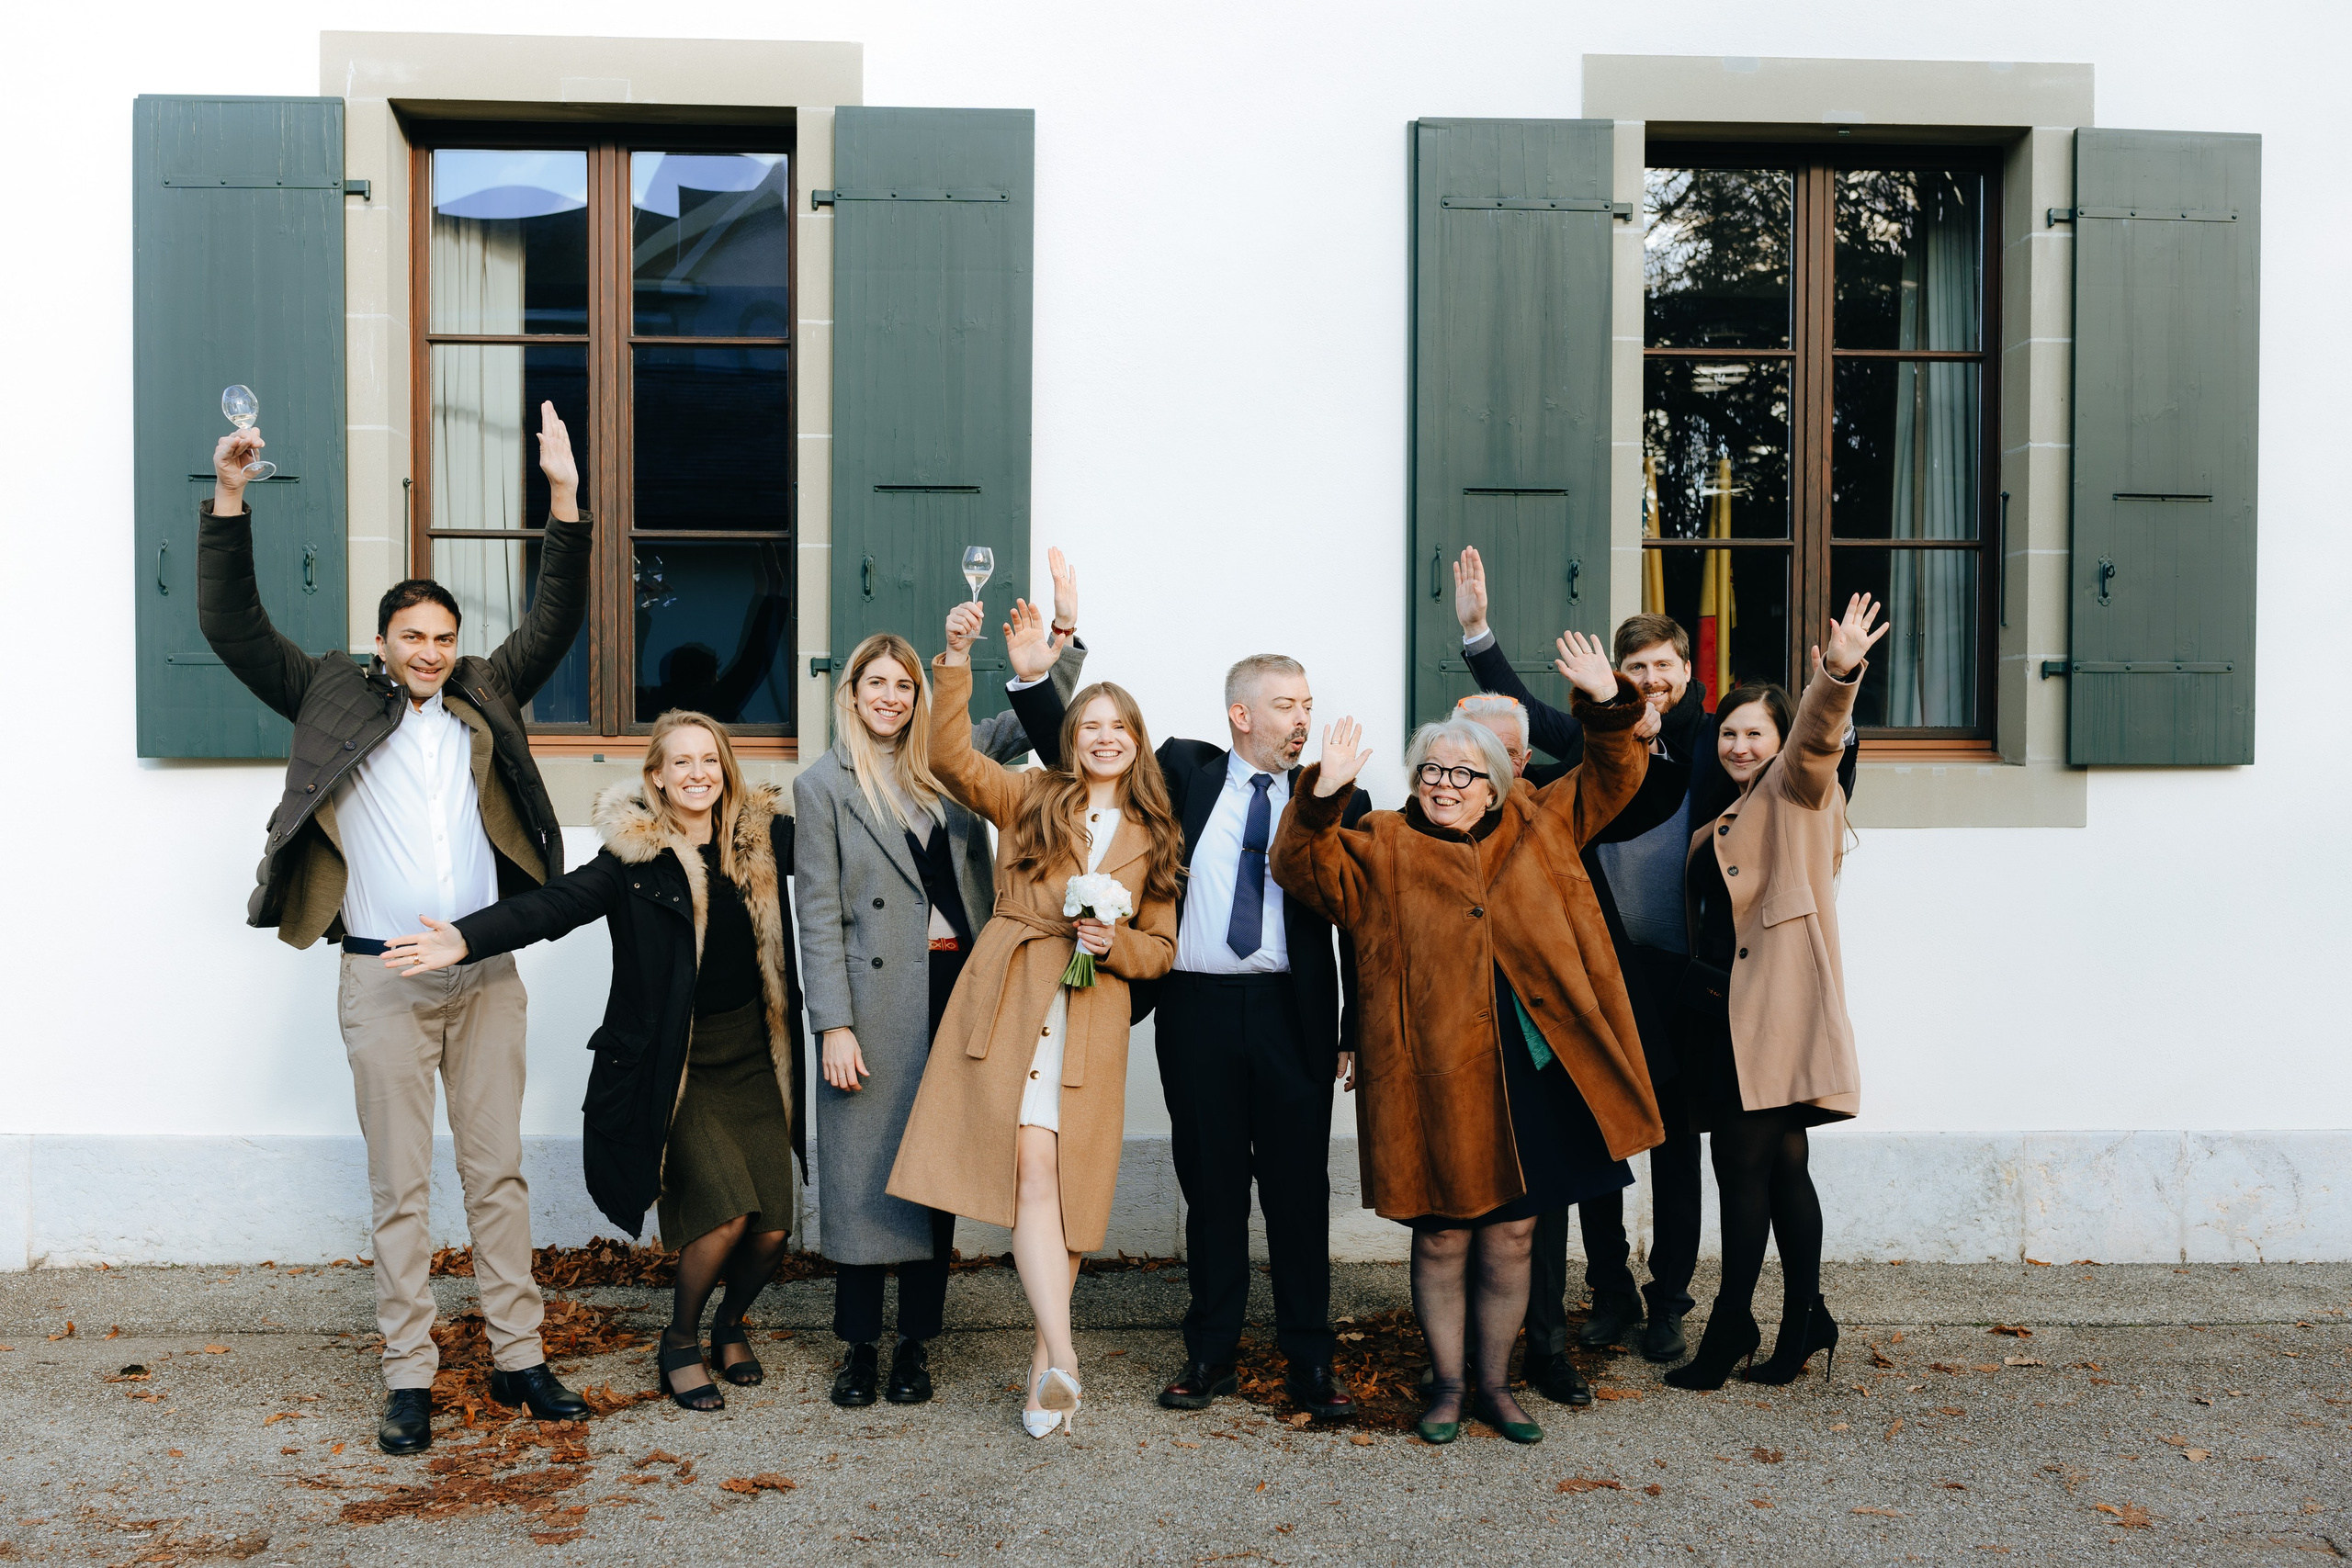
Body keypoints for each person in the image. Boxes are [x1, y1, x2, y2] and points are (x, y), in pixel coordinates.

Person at [198, 404, 594, 1454]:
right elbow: (234, 628)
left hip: (484, 975)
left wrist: (564, 500)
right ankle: (409, 1374)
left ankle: (518, 1359)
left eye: (445, 638)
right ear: (382, 642)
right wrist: (229, 498)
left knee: (497, 1175)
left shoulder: (483, 694)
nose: (430, 652)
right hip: (382, 982)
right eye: (413, 637)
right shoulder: (330, 691)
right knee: (401, 1188)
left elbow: (554, 617)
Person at [1452, 547, 1855, 1371]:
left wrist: (1835, 684)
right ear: (1616, 678)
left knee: (1679, 1147)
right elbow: (1523, 715)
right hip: (1605, 976)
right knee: (1596, 1135)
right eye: (1634, 668)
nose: (1650, 679)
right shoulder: (1598, 742)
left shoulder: (1717, 743)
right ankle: (1610, 1291)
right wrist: (1478, 635)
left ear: (1685, 671)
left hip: (1698, 985)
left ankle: (1671, 1301)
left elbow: (1812, 756)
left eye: (1662, 665)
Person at [1271, 637, 1663, 1446]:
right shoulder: (1381, 842)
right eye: (1431, 770)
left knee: (1515, 1231)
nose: (1444, 784)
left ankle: (1496, 1383)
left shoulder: (1541, 820)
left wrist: (1607, 703)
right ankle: (1447, 1384)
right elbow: (1299, 868)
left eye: (1462, 773)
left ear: (1497, 783)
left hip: (1534, 1062)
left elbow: (1618, 772)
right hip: (1436, 1073)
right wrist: (1321, 795)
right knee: (1445, 1231)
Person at [383, 714, 806, 1413]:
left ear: (725, 768)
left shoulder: (764, 840)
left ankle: (731, 1324)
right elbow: (552, 906)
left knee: (771, 1233)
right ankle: (680, 1340)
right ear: (657, 776)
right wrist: (465, 938)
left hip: (754, 1058)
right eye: (681, 762)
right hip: (678, 1066)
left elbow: (848, 843)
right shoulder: (632, 861)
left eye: (709, 759)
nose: (697, 773)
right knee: (726, 1215)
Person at [1009, 651, 1372, 1422]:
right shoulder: (1181, 775)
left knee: (1298, 1192)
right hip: (1196, 1009)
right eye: (1285, 705)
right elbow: (1080, 754)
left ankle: (1310, 1357)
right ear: (1241, 714)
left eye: (1307, 704)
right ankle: (1211, 1352)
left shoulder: (1337, 795)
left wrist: (1353, 1028)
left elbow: (1357, 920)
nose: (1303, 719)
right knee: (1210, 1189)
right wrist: (1038, 679)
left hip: (1292, 1013)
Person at [793, 555, 1090, 1409]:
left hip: (962, 985)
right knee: (862, 1173)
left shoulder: (949, 758)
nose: (891, 697)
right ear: (851, 694)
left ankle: (916, 1345)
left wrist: (1063, 636)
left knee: (937, 1167)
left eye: (904, 685)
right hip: (869, 1003)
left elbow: (1036, 714)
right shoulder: (822, 786)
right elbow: (817, 912)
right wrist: (832, 1023)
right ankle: (859, 1348)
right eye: (876, 684)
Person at [886, 603, 1182, 1437]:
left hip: (1093, 1017)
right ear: (1070, 737)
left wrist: (1116, 944)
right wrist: (955, 657)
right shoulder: (1031, 795)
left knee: (1069, 1192)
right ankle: (1066, 1357)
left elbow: (1162, 949)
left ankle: (1042, 1368)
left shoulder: (1156, 832)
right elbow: (946, 756)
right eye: (1090, 725)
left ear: (1137, 741)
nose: (1104, 738)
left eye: (1119, 727)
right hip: (1014, 999)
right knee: (1034, 1177)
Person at [1664, 593, 1889, 1392]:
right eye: (1728, 732)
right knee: (1784, 1165)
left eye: (1755, 732)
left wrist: (1837, 674)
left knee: (1741, 1163)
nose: (1738, 743)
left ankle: (1733, 1322)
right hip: (1724, 1016)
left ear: (1780, 738)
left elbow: (1820, 739)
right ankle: (1804, 1318)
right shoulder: (1725, 810)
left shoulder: (1796, 787)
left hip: (1770, 1013)